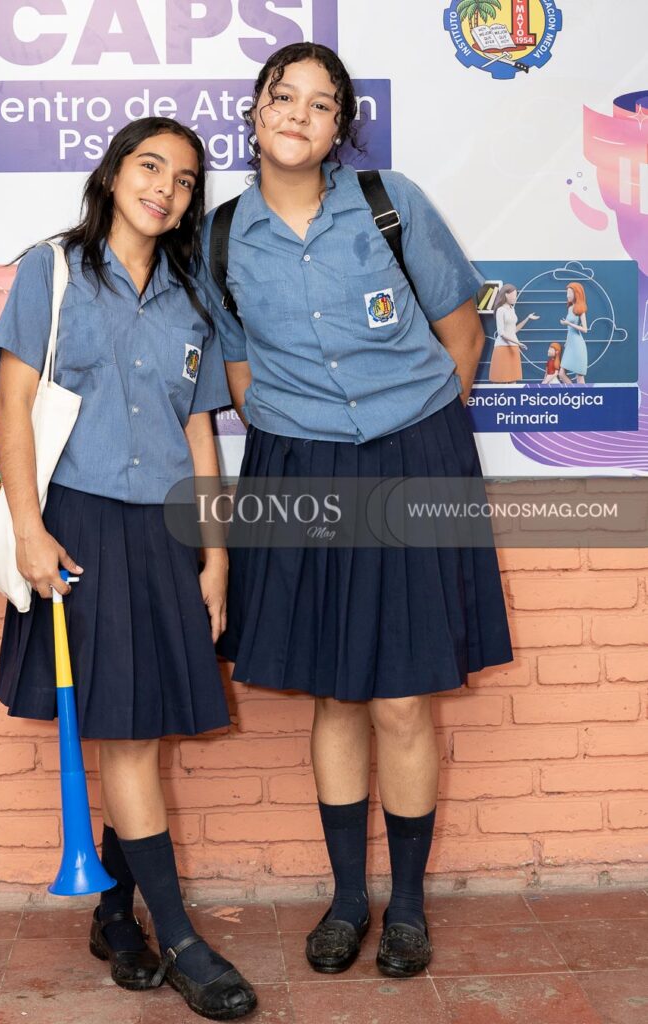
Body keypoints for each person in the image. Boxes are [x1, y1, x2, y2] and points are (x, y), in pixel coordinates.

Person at [202, 43, 513, 980]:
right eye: (281, 96)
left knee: (402, 695)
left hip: (414, 457)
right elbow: (241, 375)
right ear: (255, 112)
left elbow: (461, 333)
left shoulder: (389, 203)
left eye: (319, 103)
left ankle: (406, 906)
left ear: (340, 126)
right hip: (299, 467)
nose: (297, 114)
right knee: (335, 692)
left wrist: (413, 440)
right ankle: (346, 900)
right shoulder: (221, 238)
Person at [0, 117, 256, 1021]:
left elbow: (199, 429)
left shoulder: (190, 295)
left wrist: (215, 556)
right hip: (81, 528)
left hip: (168, 534)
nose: (165, 189)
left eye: (184, 180)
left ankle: (112, 915)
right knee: (130, 735)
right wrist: (29, 529)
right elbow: (15, 409)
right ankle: (179, 938)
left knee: (133, 721)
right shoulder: (52, 271)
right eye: (150, 167)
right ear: (112, 174)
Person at [489, 284, 538, 382]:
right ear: (506, 295)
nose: (515, 298)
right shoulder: (500, 310)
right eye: (514, 295)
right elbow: (501, 333)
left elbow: (513, 330)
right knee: (501, 380)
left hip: (513, 347)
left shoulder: (512, 309)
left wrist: (527, 318)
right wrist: (518, 343)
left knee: (513, 379)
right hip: (503, 347)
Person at [558, 281, 589, 384]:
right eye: (567, 293)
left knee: (579, 377)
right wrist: (567, 341)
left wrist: (569, 323)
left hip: (578, 345)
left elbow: (585, 329)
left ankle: (582, 393)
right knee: (561, 374)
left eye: (570, 293)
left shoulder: (580, 310)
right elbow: (569, 329)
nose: (567, 295)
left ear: (576, 294)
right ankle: (574, 391)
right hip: (570, 345)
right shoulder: (570, 308)